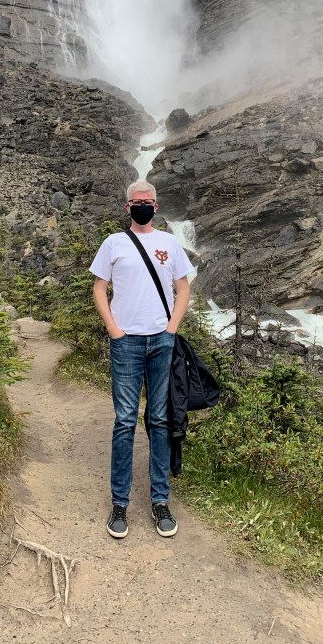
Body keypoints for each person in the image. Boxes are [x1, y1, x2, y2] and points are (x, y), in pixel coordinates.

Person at [90, 180, 193, 540]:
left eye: (147, 202)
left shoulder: (169, 242)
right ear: (127, 207)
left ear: (156, 205)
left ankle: (160, 500)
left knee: (161, 418)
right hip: (126, 343)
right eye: (137, 202)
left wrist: (171, 329)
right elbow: (99, 288)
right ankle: (120, 503)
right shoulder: (114, 243)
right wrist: (114, 330)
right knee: (124, 420)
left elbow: (183, 288)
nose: (142, 206)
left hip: (161, 342)